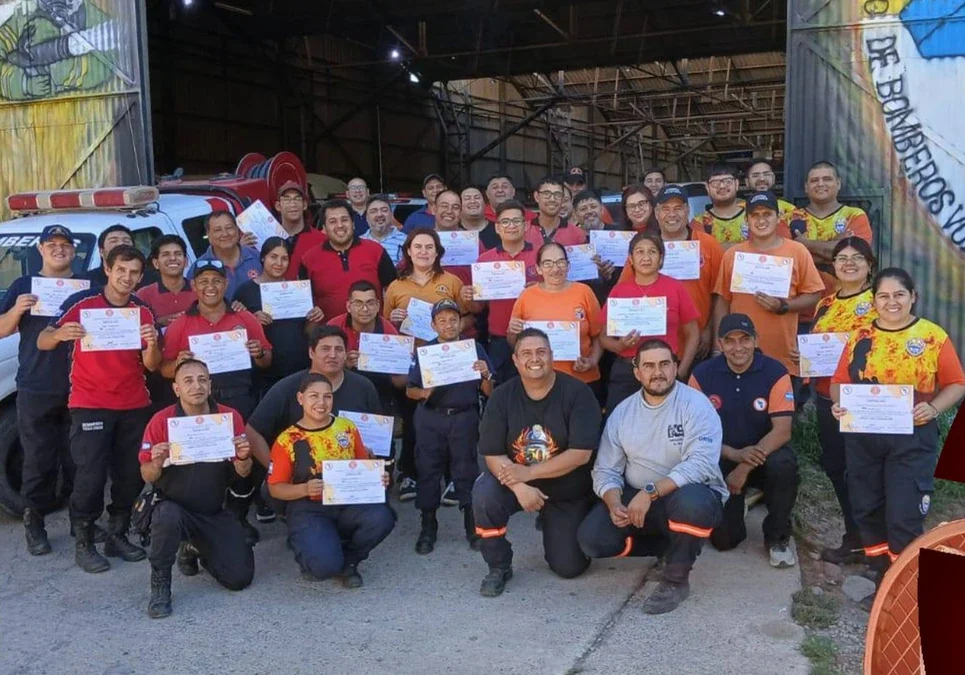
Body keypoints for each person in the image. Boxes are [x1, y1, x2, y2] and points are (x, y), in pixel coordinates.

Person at [831, 268, 965, 609]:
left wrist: (932, 409)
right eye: (883, 296)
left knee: (903, 515)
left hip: (911, 438)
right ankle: (883, 581)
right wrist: (839, 403)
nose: (891, 302)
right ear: (873, 300)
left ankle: (906, 592)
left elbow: (956, 384)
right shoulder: (860, 336)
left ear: (913, 297)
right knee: (868, 510)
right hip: (864, 437)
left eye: (899, 295)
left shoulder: (932, 336)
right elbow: (838, 383)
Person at [578, 339, 726, 615]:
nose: (657, 372)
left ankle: (676, 579)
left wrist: (649, 492)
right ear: (637, 372)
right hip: (640, 500)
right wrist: (613, 503)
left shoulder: (696, 405)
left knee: (692, 504)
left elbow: (702, 463)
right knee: (592, 540)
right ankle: (668, 547)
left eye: (664, 364)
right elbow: (606, 469)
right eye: (648, 366)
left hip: (688, 494)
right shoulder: (622, 413)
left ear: (674, 366)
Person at [38, 245, 161, 573]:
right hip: (90, 404)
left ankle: (117, 534)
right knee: (90, 475)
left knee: (129, 474)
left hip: (134, 404)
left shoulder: (142, 311)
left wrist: (152, 344)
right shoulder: (82, 304)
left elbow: (153, 365)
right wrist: (62, 332)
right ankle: (84, 539)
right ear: (107, 269)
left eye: (134, 272)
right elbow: (43, 340)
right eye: (121, 270)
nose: (127, 278)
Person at [473, 328, 601, 596]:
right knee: (484, 493)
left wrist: (527, 475)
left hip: (566, 488)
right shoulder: (502, 396)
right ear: (515, 360)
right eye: (527, 353)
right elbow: (492, 454)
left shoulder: (578, 393)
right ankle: (498, 565)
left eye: (541, 351)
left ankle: (565, 520)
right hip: (516, 480)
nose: (535, 358)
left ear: (552, 356)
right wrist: (520, 486)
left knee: (569, 567)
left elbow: (581, 453)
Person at [161, 259, 273, 543]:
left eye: (216, 281)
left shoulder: (244, 319)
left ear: (225, 285)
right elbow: (162, 368)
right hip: (199, 403)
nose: (210, 286)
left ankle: (238, 517)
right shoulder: (181, 325)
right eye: (203, 281)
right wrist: (178, 362)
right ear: (194, 286)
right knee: (205, 463)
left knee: (242, 460)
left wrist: (258, 352)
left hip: (240, 399)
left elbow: (267, 360)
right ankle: (202, 522)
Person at [139, 359, 254, 619]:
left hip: (213, 510)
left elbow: (242, 473)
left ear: (210, 385)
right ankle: (160, 583)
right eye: (188, 381)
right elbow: (146, 474)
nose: (196, 386)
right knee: (167, 516)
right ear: (176, 389)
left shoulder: (228, 417)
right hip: (173, 507)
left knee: (239, 579)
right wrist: (156, 461)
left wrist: (243, 458)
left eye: (202, 379)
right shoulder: (162, 420)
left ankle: (193, 547)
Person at [0, 225, 87, 554]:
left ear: (73, 250)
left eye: (65, 244)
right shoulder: (23, 286)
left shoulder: (85, 287)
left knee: (78, 460)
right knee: (37, 461)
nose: (59, 249)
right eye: (53, 244)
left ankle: (82, 525)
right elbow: (2, 330)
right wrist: (16, 309)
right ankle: (34, 523)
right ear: (41, 249)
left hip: (80, 386)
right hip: (36, 386)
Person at [689, 314, 799, 568]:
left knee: (784, 465)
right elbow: (693, 432)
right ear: (720, 344)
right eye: (730, 341)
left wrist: (744, 467)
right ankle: (738, 507)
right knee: (724, 541)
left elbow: (782, 431)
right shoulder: (702, 374)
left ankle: (778, 537)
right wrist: (733, 456)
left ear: (755, 340)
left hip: (764, 456)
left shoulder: (775, 372)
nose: (738, 347)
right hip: (722, 458)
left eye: (745, 339)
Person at [268, 373, 395, 586]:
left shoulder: (347, 427)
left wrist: (378, 478)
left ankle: (350, 560)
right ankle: (306, 546)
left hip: (347, 502)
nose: (321, 402)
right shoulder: (286, 440)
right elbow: (275, 489)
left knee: (382, 517)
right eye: (313, 396)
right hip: (309, 507)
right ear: (301, 398)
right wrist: (305, 489)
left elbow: (363, 466)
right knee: (323, 568)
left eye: (327, 396)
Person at [801, 237, 878, 565]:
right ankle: (855, 536)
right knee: (837, 468)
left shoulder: (881, 300)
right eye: (841, 258)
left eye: (856, 258)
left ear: (869, 265)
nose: (848, 263)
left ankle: (879, 546)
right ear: (832, 266)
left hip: (865, 401)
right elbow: (819, 349)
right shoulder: (825, 303)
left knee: (865, 472)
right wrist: (803, 357)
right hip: (826, 398)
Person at [383, 228, 472, 504]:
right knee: (414, 419)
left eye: (429, 247)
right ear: (408, 251)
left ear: (437, 252)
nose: (423, 252)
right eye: (417, 247)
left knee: (451, 420)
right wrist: (395, 320)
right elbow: (386, 327)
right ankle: (411, 473)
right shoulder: (396, 286)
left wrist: (452, 332)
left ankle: (452, 478)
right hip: (412, 360)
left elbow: (467, 319)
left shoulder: (452, 281)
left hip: (448, 360)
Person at [407, 299, 493, 554]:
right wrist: (425, 391)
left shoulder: (473, 349)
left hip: (463, 416)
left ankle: (471, 526)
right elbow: (410, 390)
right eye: (442, 320)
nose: (448, 324)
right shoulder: (426, 353)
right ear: (433, 325)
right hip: (431, 417)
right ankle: (428, 526)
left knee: (466, 470)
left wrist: (485, 374)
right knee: (428, 470)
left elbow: (489, 390)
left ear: (461, 323)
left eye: (453, 319)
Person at [713, 191, 825, 387]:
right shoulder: (733, 255)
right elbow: (722, 301)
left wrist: (783, 306)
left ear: (778, 217)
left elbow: (814, 294)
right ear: (746, 220)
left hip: (783, 355)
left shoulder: (797, 251)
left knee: (782, 415)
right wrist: (718, 343)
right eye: (755, 215)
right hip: (738, 355)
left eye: (767, 214)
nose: (761, 220)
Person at [245, 325, 382, 475]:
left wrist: (372, 459)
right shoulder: (286, 388)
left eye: (339, 349)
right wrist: (276, 470)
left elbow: (378, 436)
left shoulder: (364, 387)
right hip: (299, 482)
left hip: (349, 479)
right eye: (325, 349)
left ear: (345, 354)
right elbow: (252, 432)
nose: (332, 355)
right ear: (311, 352)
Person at [618, 185, 724, 361]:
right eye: (665, 209)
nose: (672, 214)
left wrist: (708, 331)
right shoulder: (643, 246)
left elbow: (719, 295)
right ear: (657, 212)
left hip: (697, 344)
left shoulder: (708, 245)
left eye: (678, 208)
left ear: (688, 210)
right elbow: (623, 292)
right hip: (652, 346)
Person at [600, 230, 700, 413]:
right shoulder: (619, 291)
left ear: (661, 258)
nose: (646, 257)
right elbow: (603, 337)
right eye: (639, 252)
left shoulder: (676, 288)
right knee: (619, 422)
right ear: (630, 258)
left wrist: (682, 368)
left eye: (652, 252)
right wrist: (619, 346)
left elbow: (693, 333)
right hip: (627, 369)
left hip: (665, 369)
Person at [327, 280, 408, 483]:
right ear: (348, 305)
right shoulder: (333, 327)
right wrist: (341, 363)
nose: (365, 309)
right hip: (340, 391)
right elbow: (318, 370)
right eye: (358, 303)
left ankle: (383, 477)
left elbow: (400, 383)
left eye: (370, 303)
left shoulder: (388, 331)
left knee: (381, 453)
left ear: (378, 305)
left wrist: (395, 367)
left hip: (379, 394)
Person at [231, 237, 324, 393]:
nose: (279, 263)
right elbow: (235, 331)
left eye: (284, 258)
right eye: (273, 257)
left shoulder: (298, 290)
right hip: (264, 374)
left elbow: (308, 331)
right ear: (262, 258)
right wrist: (252, 319)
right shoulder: (245, 291)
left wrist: (316, 318)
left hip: (299, 368)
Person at [509, 243, 603, 393]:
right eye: (548, 263)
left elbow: (599, 334)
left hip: (581, 379)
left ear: (568, 265)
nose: (555, 269)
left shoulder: (584, 292)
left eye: (560, 262)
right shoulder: (526, 296)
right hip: (540, 381)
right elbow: (514, 343)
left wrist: (592, 361)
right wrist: (513, 332)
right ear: (538, 268)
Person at [299, 199, 398, 321]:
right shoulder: (309, 259)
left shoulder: (376, 251)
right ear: (324, 228)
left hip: (372, 334)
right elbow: (303, 304)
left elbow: (393, 290)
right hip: (329, 335)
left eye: (344, 220)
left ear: (353, 223)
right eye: (333, 221)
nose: (340, 225)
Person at [788, 161, 874, 303]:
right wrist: (836, 245)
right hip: (799, 306)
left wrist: (804, 244)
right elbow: (786, 260)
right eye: (814, 180)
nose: (820, 184)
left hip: (845, 305)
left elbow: (856, 256)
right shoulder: (789, 218)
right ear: (806, 187)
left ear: (838, 184)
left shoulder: (855, 216)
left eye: (827, 179)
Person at [476, 200, 541, 383]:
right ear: (497, 227)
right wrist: (469, 296)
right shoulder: (484, 260)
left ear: (526, 225)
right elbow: (477, 307)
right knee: (501, 394)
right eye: (505, 222)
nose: (511, 226)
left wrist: (538, 290)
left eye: (516, 221)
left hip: (536, 337)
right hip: (499, 340)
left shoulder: (541, 255)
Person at [188, 211, 262, 300]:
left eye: (229, 228)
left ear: (237, 230)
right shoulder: (197, 268)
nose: (225, 234)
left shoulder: (257, 257)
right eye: (218, 230)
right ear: (208, 235)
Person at [136, 235, 196, 330]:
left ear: (186, 261)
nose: (172, 258)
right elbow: (137, 328)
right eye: (165, 254)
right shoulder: (144, 295)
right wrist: (160, 321)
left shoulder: (200, 289)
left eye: (178, 254)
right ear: (156, 263)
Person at [275, 181, 327, 279]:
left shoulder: (322, 240)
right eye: (287, 199)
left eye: (297, 199)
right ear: (278, 206)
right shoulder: (265, 237)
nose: (293, 204)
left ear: (304, 205)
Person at [84, 224, 157, 290]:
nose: (121, 244)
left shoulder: (150, 280)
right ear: (101, 251)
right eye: (113, 241)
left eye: (126, 241)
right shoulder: (86, 281)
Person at [525, 175, 588, 248]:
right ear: (536, 196)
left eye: (557, 194)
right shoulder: (522, 231)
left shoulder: (577, 234)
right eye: (546, 194)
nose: (552, 199)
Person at [693, 165, 748, 247]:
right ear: (707, 188)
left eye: (728, 181)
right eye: (715, 183)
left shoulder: (751, 217)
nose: (722, 186)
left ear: (737, 184)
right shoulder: (698, 222)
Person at [361, 195, 406, 266]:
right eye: (374, 211)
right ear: (367, 217)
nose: (379, 214)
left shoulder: (405, 240)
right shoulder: (359, 242)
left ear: (391, 215)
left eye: (384, 210)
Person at [460, 185, 500, 250]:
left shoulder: (499, 230)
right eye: (467, 198)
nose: (473, 201)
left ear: (485, 203)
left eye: (477, 197)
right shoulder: (453, 231)